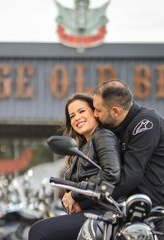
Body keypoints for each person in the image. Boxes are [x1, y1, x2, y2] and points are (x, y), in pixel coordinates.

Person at [92, 79, 164, 239]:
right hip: (143, 210)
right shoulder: (117, 129)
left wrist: (90, 199)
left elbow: (131, 176)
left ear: (115, 111)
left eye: (98, 110)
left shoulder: (146, 122)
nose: (94, 114)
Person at [28, 93, 121, 240]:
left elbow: (111, 173)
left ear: (95, 112)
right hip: (89, 210)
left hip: (103, 212)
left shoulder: (103, 136)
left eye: (81, 111)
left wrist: (74, 195)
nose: (77, 118)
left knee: (38, 230)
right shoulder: (81, 147)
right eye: (72, 116)